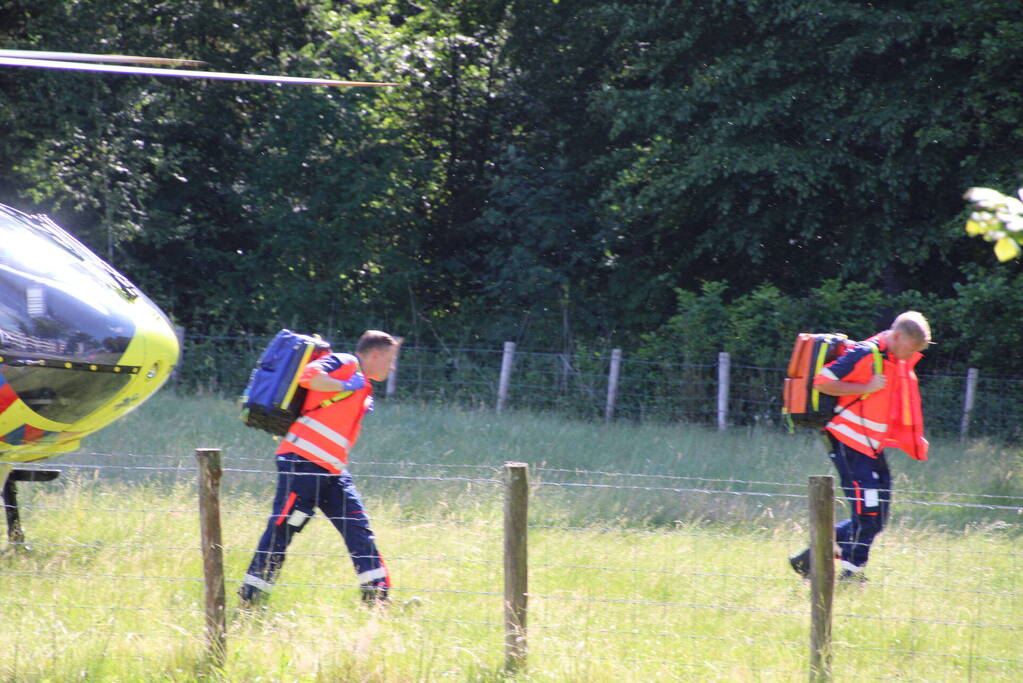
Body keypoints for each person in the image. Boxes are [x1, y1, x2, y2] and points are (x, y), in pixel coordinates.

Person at [239, 330, 401, 607]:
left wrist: (355, 389)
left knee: (358, 530)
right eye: (390, 359)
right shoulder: (346, 362)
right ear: (375, 355)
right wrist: (347, 385)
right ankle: (250, 600)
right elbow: (309, 376)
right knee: (283, 529)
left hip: (333, 471)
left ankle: (378, 601)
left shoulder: (362, 383)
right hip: (303, 463)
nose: (392, 366)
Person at [789, 311, 932, 582]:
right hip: (849, 444)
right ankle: (851, 573)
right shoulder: (866, 353)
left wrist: (912, 435)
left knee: (876, 519)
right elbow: (823, 381)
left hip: (871, 447)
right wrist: (866, 385)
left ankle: (809, 560)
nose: (909, 355)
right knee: (867, 515)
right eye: (910, 348)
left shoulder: (894, 360)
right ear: (898, 336)